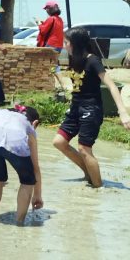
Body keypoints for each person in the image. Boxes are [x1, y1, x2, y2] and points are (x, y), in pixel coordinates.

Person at [53, 27, 130, 187]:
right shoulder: (74, 58)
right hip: (75, 108)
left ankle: (98, 188)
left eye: (66, 42)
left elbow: (111, 85)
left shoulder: (93, 60)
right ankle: (88, 171)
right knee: (59, 142)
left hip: (91, 109)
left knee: (84, 148)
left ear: (75, 44)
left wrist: (123, 112)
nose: (64, 45)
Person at [0, 105, 43, 225]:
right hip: (15, 141)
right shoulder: (29, 126)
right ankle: (19, 223)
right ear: (35, 123)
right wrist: (37, 195)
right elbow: (35, 168)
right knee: (27, 181)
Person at [35, 0, 65, 91]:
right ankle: (51, 85)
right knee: (53, 64)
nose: (46, 11)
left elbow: (43, 31)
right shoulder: (59, 19)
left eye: (47, 9)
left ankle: (63, 85)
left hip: (51, 44)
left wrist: (39, 23)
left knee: (52, 65)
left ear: (50, 9)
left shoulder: (51, 19)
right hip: (59, 45)